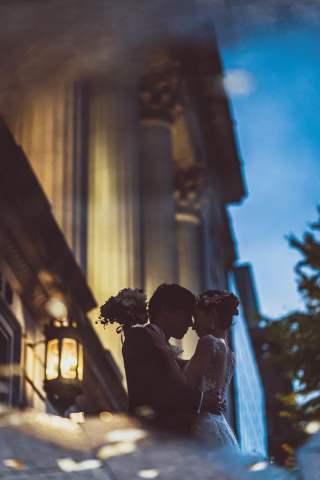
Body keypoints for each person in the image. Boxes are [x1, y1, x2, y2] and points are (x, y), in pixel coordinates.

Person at [121, 284, 225, 431]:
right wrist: (202, 401)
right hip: (152, 432)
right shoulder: (141, 337)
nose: (190, 323)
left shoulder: (163, 344)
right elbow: (157, 390)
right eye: (187, 315)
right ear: (166, 310)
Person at [183, 289, 240, 448]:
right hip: (219, 424)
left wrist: (165, 355)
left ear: (212, 315)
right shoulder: (230, 355)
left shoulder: (208, 342)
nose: (193, 326)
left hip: (202, 424)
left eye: (197, 317)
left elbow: (185, 385)